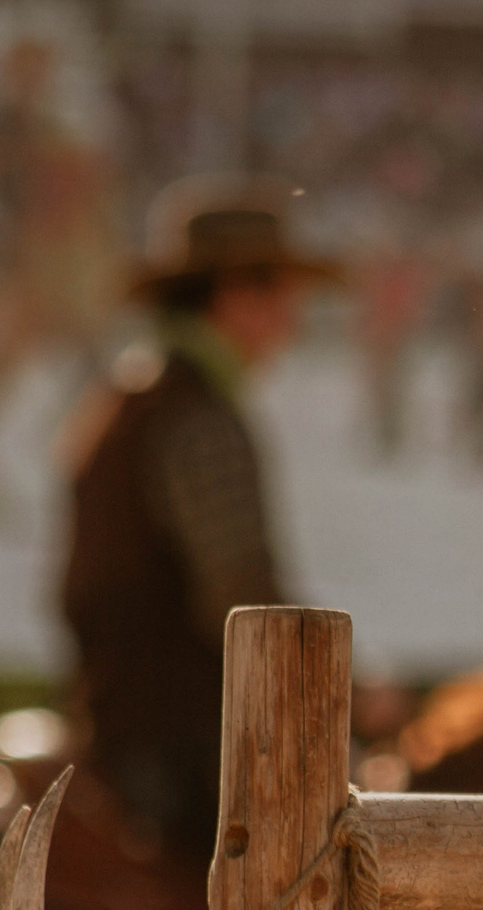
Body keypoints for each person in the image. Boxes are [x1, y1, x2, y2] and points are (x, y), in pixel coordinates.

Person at [60, 174, 341, 860]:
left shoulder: (132, 397)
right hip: (182, 745)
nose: (293, 317)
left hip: (129, 725)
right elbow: (241, 598)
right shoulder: (196, 414)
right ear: (235, 295)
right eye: (279, 292)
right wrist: (341, 692)